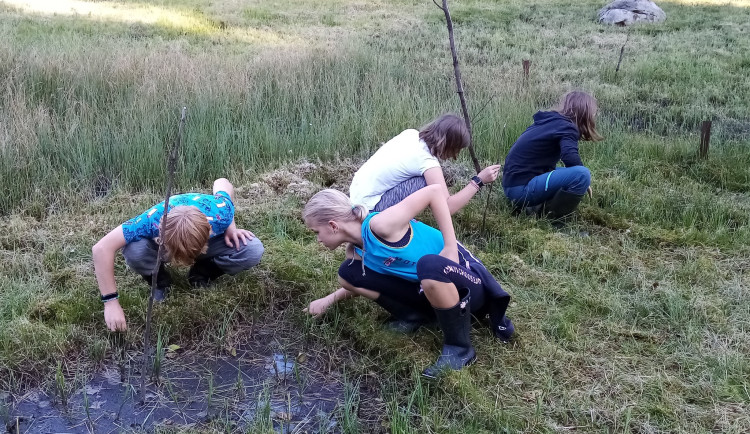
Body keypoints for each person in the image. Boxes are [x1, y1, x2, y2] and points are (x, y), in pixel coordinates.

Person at [302, 185, 513, 378]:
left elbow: (435, 191)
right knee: (348, 273)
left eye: (316, 232)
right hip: (430, 288)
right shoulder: (355, 252)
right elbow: (353, 284)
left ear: (332, 225)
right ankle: (414, 316)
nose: (317, 239)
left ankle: (460, 348)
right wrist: (327, 301)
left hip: (469, 286)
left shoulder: (380, 225)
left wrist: (450, 247)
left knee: (428, 264)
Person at [92, 178, 264, 331]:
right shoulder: (148, 222)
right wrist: (111, 302)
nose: (183, 262)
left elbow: (222, 182)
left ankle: (200, 274)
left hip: (206, 232)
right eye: (180, 258)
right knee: (134, 250)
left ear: (209, 230)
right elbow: (101, 249)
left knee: (252, 250)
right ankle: (160, 283)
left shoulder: (220, 212)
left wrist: (230, 228)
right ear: (160, 234)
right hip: (163, 244)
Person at [349, 113, 501, 214]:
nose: (456, 156)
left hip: (356, 199)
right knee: (428, 186)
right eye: (457, 149)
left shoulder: (410, 134)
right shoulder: (426, 161)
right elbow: (447, 207)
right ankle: (391, 227)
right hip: (369, 211)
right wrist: (478, 181)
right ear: (448, 144)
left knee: (426, 182)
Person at [502, 91, 603, 220]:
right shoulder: (567, 127)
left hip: (512, 186)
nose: (594, 116)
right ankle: (555, 220)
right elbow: (569, 156)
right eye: (593, 113)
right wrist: (583, 180)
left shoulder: (549, 122)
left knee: (571, 173)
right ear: (584, 112)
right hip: (521, 190)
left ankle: (535, 207)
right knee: (582, 174)